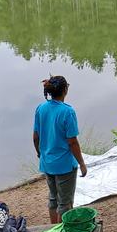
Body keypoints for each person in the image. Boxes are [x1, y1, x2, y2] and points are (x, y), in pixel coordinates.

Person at [33, 76, 87, 223]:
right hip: (64, 165)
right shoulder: (67, 111)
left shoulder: (41, 109)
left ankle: (53, 228)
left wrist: (40, 153)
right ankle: (64, 231)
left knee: (53, 198)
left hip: (47, 163)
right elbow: (72, 142)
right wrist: (81, 163)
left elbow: (35, 136)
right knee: (65, 202)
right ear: (65, 90)